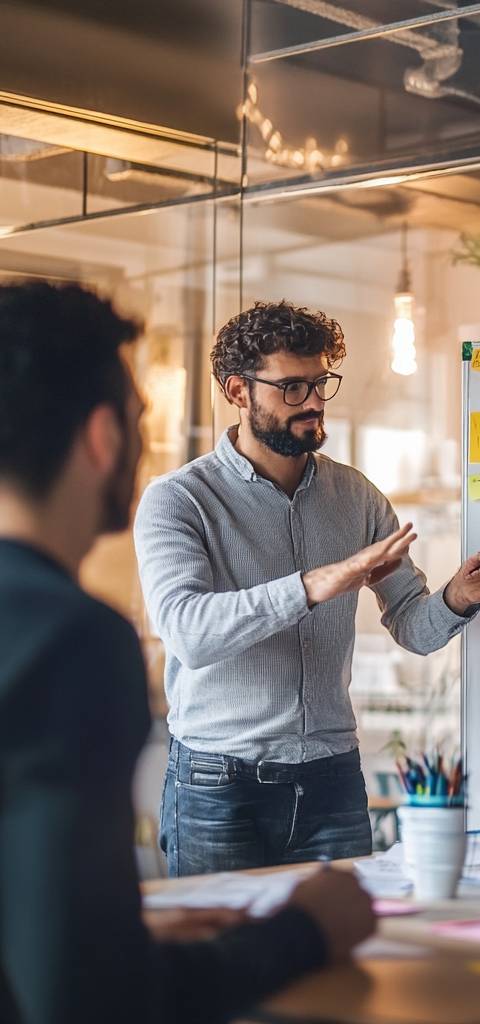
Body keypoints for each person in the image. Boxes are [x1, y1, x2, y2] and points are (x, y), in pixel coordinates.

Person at [0, 281, 376, 1024]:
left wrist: (130, 932)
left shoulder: (353, 494)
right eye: (142, 418)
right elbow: (86, 996)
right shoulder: (69, 640)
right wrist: (306, 932)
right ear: (106, 437)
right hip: (218, 780)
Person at [134, 300, 480, 875]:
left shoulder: (357, 496)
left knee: (343, 953)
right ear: (238, 392)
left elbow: (416, 629)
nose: (315, 402)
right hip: (218, 786)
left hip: (332, 780)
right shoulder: (180, 499)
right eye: (292, 387)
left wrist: (461, 596)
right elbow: (190, 633)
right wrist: (323, 581)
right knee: (224, 962)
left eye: (321, 383)